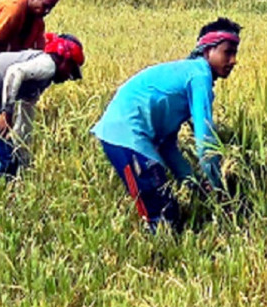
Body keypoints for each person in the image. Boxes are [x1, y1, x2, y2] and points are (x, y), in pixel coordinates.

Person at [91, 17, 241, 233]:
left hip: (122, 135)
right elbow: (206, 142)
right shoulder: (199, 75)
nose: (234, 60)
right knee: (162, 215)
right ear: (208, 52)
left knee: (166, 210)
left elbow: (167, 146)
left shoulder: (186, 75)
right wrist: (220, 190)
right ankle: (156, 261)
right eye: (228, 52)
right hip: (126, 136)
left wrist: (195, 185)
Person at [0, 33, 84, 196]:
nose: (68, 78)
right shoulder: (48, 64)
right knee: (2, 163)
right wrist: (6, 112)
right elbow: (14, 72)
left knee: (11, 163)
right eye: (70, 70)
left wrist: (24, 157)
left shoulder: (40, 78)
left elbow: (25, 116)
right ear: (64, 59)